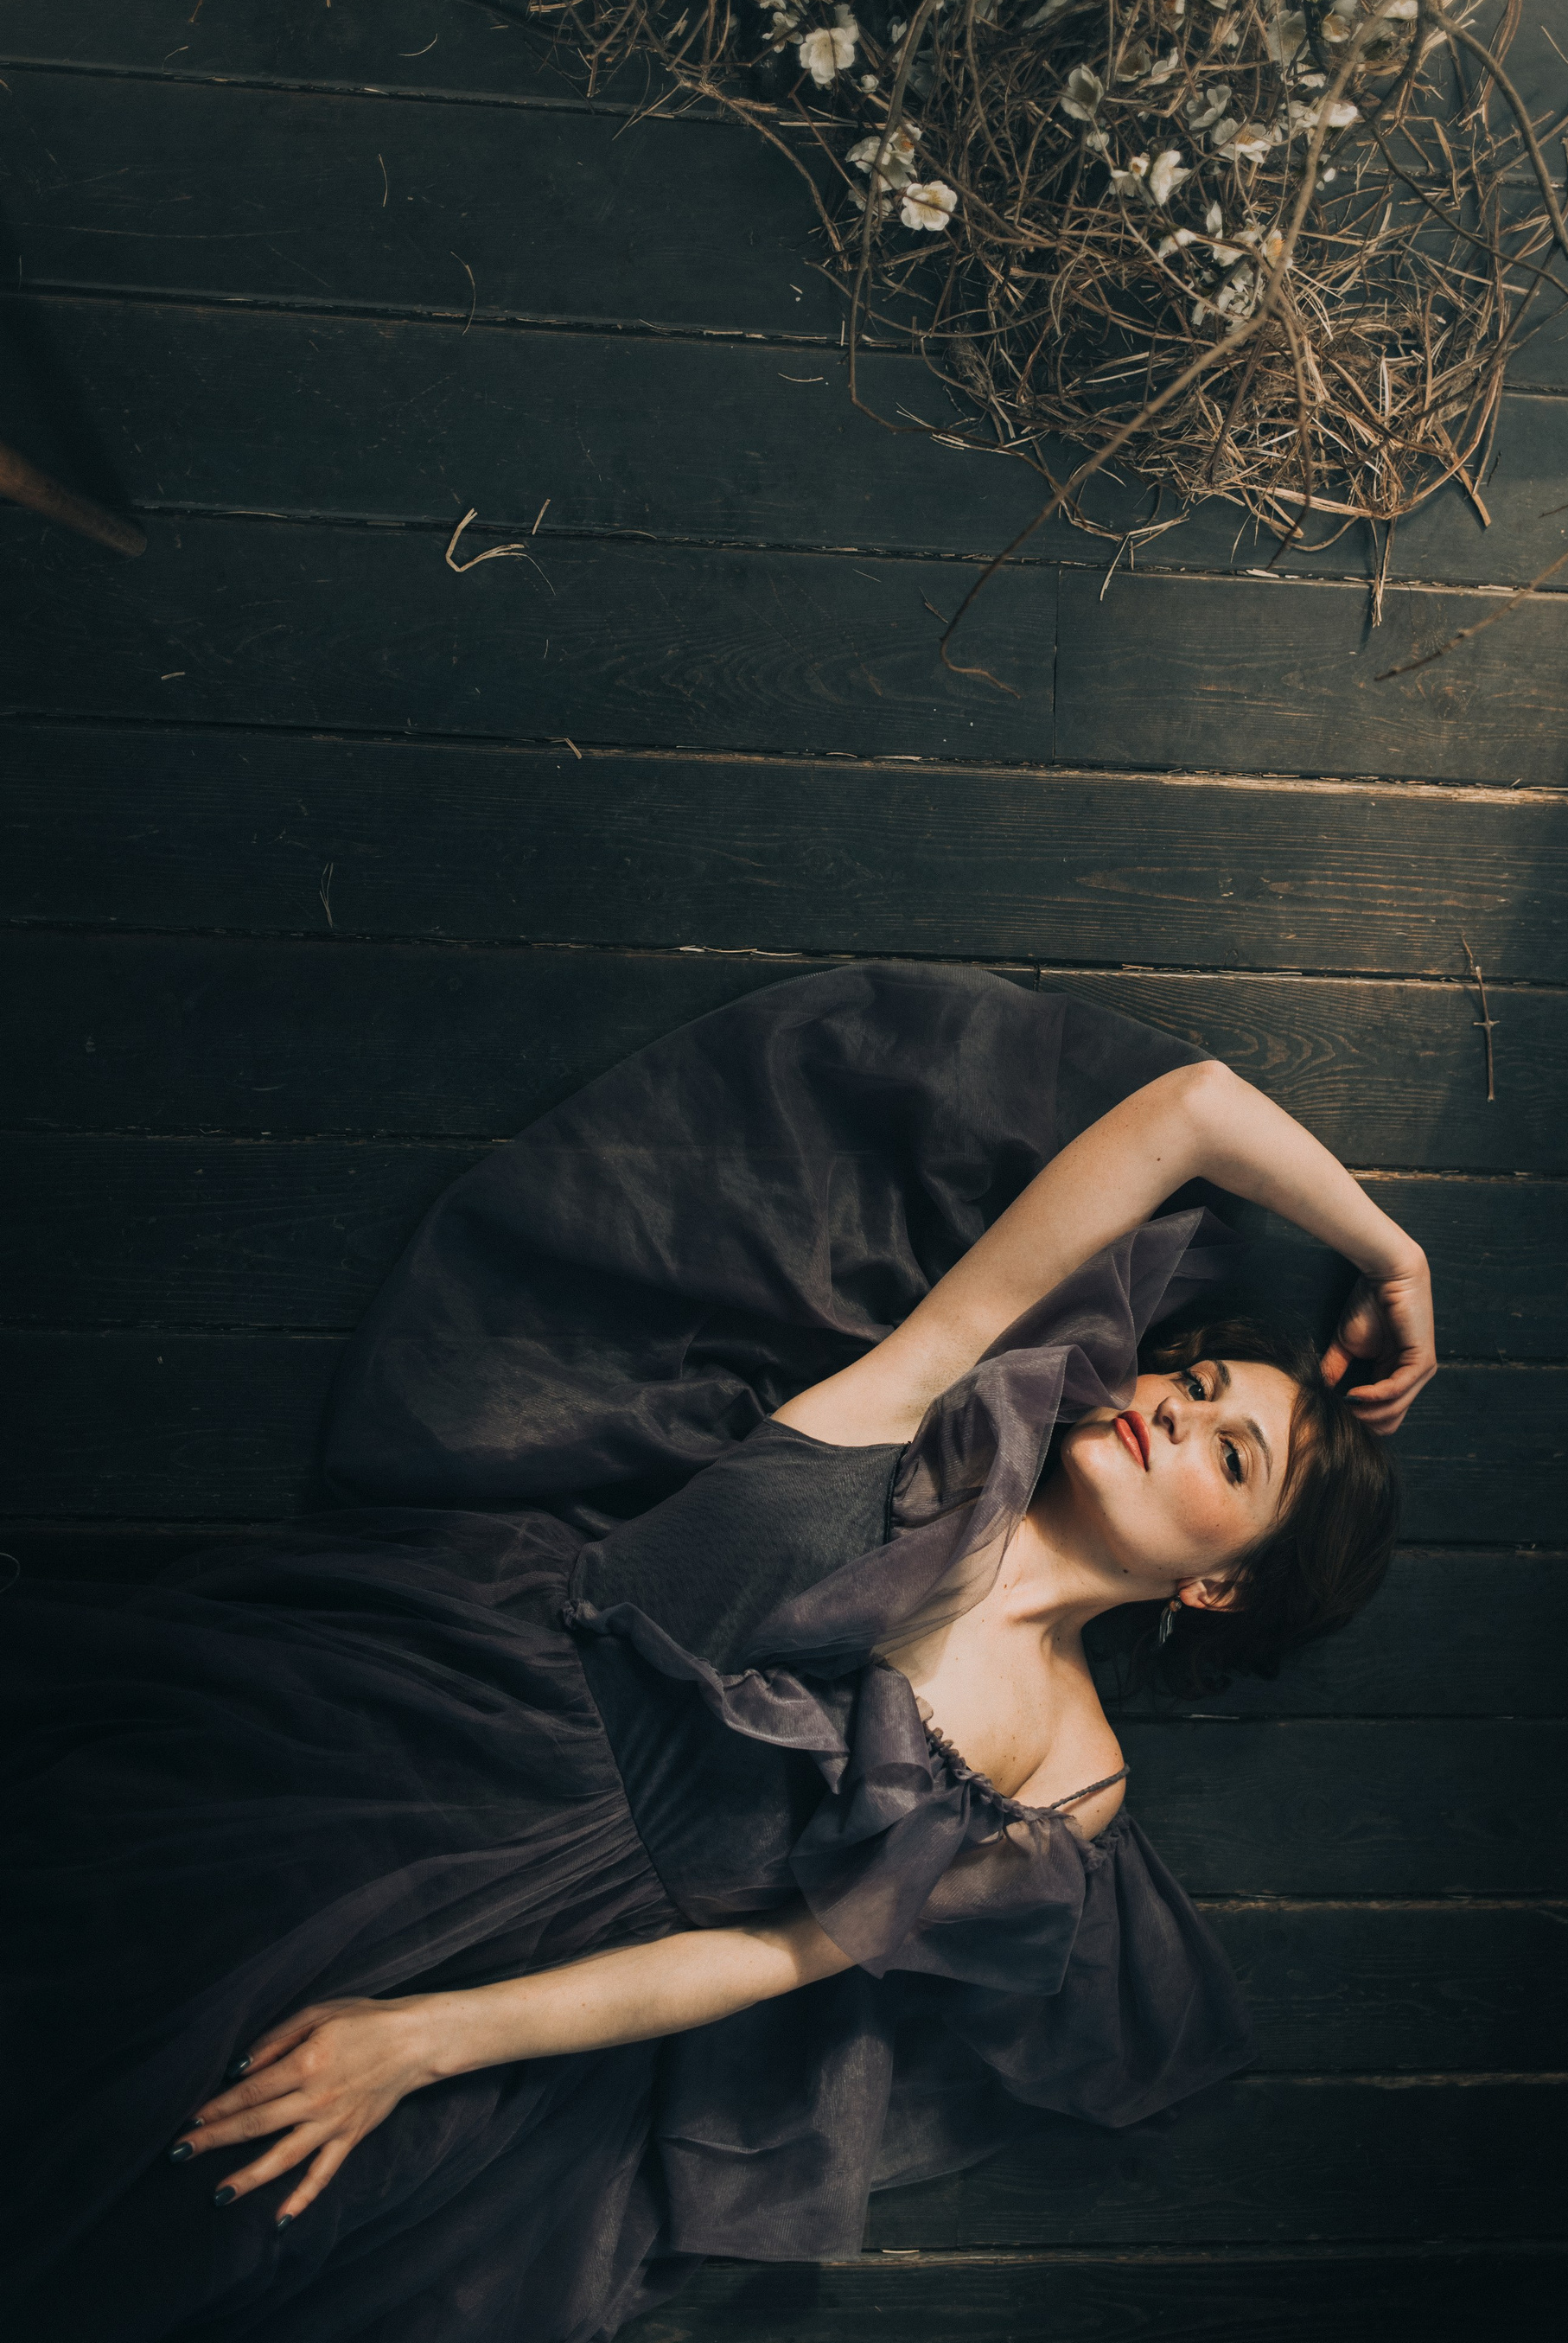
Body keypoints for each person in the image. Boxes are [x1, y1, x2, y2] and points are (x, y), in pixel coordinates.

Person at [1, 964, 1432, 2342]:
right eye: (1194, 1379)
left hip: (543, 1984)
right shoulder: (913, 1412)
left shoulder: (1073, 1779)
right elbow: (1190, 1112)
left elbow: (763, 1961)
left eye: (1230, 1453)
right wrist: (1391, 1253)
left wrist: (419, 2042)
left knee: (184, 2226)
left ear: (1223, 1587)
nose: (1176, 1409)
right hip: (405, 1742)